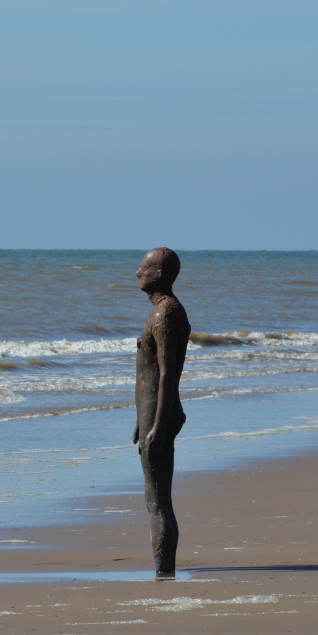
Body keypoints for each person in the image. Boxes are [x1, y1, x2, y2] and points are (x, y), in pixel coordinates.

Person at [132, 247, 190, 578]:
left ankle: (164, 573)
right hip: (154, 413)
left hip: (160, 414)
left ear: (159, 275)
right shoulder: (164, 311)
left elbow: (167, 374)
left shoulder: (165, 314)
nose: (138, 272)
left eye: (144, 267)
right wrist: (141, 421)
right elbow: (151, 375)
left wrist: (156, 425)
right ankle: (164, 569)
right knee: (155, 498)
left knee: (157, 501)